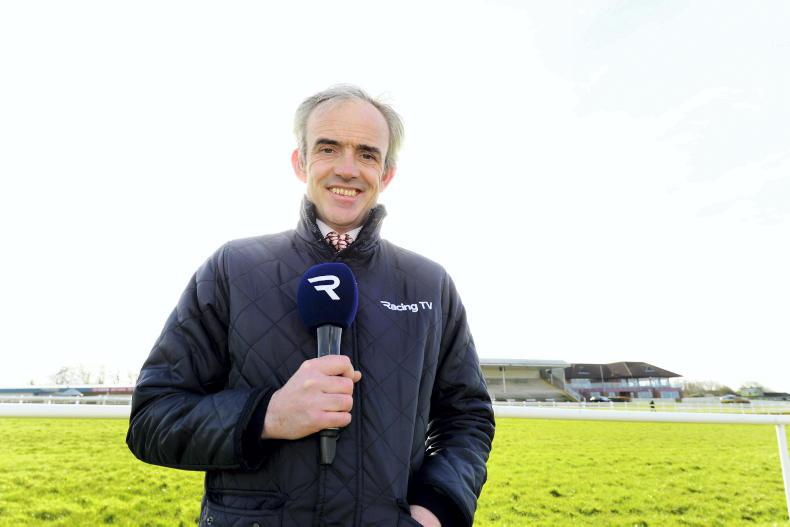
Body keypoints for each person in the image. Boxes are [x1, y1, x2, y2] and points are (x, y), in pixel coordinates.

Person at [126, 85, 494, 527]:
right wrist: (267, 415)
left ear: (387, 174)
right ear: (300, 162)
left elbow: (468, 419)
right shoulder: (233, 268)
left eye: (367, 154)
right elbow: (152, 419)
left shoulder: (429, 283)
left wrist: (437, 507)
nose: (347, 169)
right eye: (328, 148)